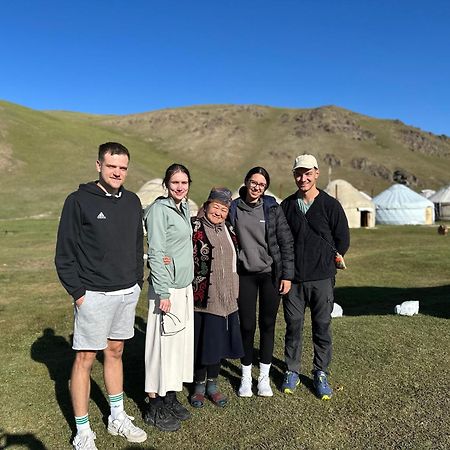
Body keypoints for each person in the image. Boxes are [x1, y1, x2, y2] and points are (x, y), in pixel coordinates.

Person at [55, 142, 147, 450]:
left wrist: (137, 281)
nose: (118, 172)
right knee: (84, 358)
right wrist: (79, 293)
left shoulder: (133, 201)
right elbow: (64, 253)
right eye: (112, 166)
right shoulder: (78, 201)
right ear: (98, 165)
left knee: (116, 352)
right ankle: (82, 431)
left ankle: (116, 416)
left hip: (126, 292)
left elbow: (137, 246)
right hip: (93, 293)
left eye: (123, 167)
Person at [280, 154, 350, 400]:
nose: (303, 178)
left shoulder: (331, 205)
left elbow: (342, 239)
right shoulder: (287, 206)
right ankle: (292, 370)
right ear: (294, 175)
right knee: (294, 326)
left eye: (308, 173)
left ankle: (320, 372)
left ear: (316, 173)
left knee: (322, 326)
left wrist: (327, 260)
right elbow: (281, 240)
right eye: (299, 173)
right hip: (294, 279)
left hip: (321, 278)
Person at [228, 167, 294, 397]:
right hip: (244, 274)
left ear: (265, 188)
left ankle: (263, 378)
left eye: (261, 184)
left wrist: (287, 275)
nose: (257, 187)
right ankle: (246, 377)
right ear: (246, 182)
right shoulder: (234, 208)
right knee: (246, 326)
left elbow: (286, 242)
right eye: (253, 182)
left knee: (267, 325)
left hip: (270, 274)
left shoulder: (272, 208)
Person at [143, 163, 194, 432]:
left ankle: (170, 397)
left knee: (177, 347)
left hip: (182, 286)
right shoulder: (159, 211)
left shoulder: (184, 208)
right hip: (167, 289)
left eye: (184, 182)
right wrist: (163, 291)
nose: (180, 186)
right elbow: (156, 252)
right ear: (166, 184)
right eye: (175, 182)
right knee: (159, 348)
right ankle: (154, 407)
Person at [190, 188, 244, 408]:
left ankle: (213, 384)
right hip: (203, 297)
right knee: (204, 343)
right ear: (207, 205)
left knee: (218, 342)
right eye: (216, 207)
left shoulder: (229, 229)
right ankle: (199, 386)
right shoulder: (194, 227)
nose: (219, 213)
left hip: (227, 297)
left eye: (224, 209)